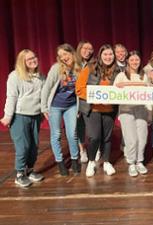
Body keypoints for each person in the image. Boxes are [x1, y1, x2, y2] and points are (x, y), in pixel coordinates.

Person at [0, 49, 45, 187]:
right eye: (29, 59)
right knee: (23, 146)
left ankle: (30, 170)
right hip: (20, 116)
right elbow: (11, 97)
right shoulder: (15, 76)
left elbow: (44, 96)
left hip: (35, 115)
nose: (33, 60)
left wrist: (43, 113)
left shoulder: (41, 77)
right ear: (22, 62)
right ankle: (19, 174)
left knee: (33, 146)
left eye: (35, 57)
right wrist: (8, 116)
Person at [76, 44, 118, 177]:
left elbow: (123, 90)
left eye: (110, 54)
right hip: (92, 109)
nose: (108, 57)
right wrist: (96, 98)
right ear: (100, 55)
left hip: (109, 109)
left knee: (107, 137)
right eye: (105, 54)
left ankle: (106, 162)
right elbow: (79, 88)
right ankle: (91, 161)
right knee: (94, 137)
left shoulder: (118, 71)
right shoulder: (90, 68)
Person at [41, 43, 81, 176]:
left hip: (71, 105)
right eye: (60, 55)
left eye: (65, 54)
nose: (63, 57)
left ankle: (75, 160)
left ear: (72, 53)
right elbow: (46, 87)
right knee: (56, 134)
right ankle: (60, 162)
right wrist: (44, 107)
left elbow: (81, 90)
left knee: (72, 134)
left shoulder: (78, 68)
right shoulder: (56, 68)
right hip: (55, 106)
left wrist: (80, 106)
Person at [114, 51, 151, 177]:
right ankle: (131, 163)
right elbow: (113, 94)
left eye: (137, 60)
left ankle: (139, 161)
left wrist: (150, 112)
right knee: (131, 138)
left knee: (142, 137)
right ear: (128, 61)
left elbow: (149, 95)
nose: (135, 62)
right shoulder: (121, 75)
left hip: (141, 109)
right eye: (132, 60)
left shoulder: (143, 76)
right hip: (126, 110)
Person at [76, 40, 95, 163]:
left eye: (90, 49)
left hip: (91, 99)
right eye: (85, 48)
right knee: (80, 126)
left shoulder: (94, 64)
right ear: (79, 49)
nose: (87, 51)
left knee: (93, 127)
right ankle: (82, 150)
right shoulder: (74, 64)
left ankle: (95, 148)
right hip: (76, 101)